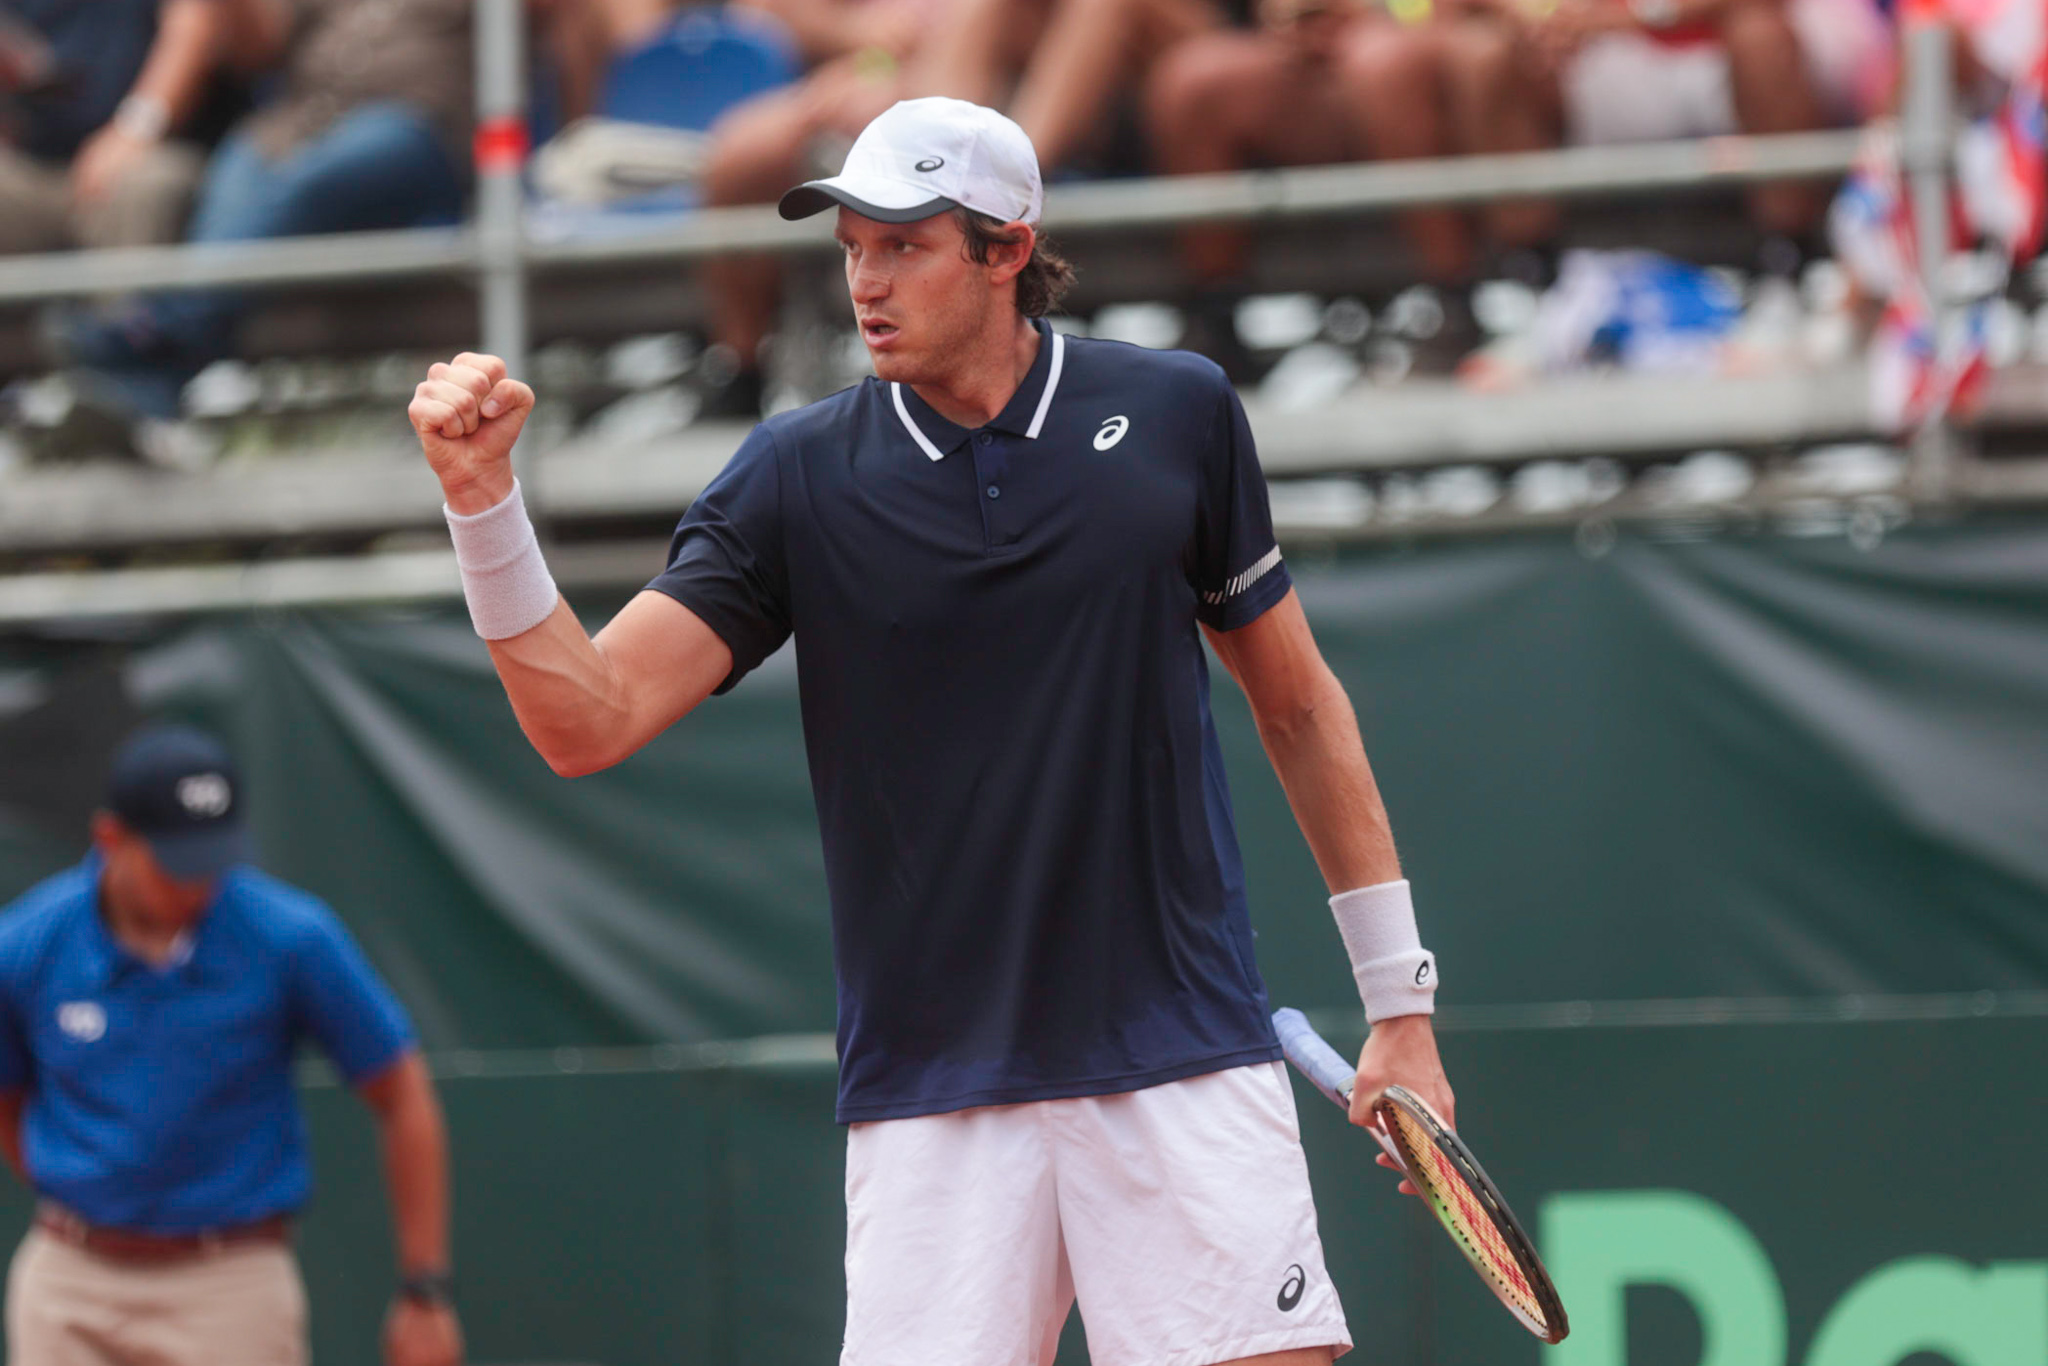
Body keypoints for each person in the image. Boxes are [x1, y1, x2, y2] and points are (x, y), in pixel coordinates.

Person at [412, 97, 1452, 1365]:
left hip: (1183, 1059)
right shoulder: (790, 477)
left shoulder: (1177, 413)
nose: (864, 280)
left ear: (1007, 247)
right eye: (850, 245)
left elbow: (1294, 704)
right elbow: (587, 719)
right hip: (932, 1097)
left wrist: (1398, 1001)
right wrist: (483, 508)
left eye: (902, 245)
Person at [0, 725, 462, 1366]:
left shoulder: (292, 937)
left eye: (214, 859)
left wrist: (424, 1288)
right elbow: (8, 1099)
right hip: (69, 1283)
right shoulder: (24, 945)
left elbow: (402, 1090)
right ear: (111, 839)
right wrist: (92, 1192)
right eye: (176, 865)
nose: (199, 885)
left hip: (233, 1285)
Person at [0, 0, 251, 256]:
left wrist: (133, 129)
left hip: (151, 152)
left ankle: (129, 298)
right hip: (37, 164)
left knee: (148, 186)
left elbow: (196, 26)